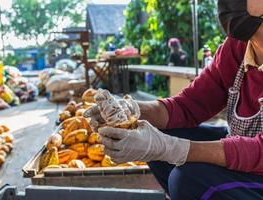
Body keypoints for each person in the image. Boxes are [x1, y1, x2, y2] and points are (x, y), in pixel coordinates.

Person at [84, 0, 263, 199]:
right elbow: (187, 106)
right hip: (241, 149)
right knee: (154, 129)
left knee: (188, 179)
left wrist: (171, 148)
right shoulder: (236, 48)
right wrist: (131, 109)